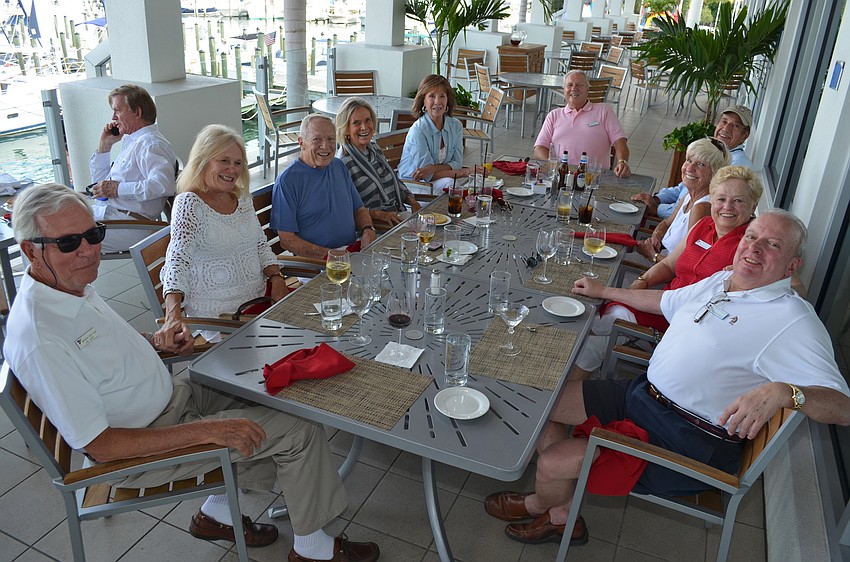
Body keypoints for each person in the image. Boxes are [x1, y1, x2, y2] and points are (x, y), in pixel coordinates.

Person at [3, 183, 381, 562]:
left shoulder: (68, 285)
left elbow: (100, 352)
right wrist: (211, 430)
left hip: (170, 399)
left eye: (93, 234)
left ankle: (217, 512)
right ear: (30, 251)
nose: (88, 250)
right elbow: (100, 445)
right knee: (298, 429)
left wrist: (156, 342)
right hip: (135, 450)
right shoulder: (41, 336)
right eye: (69, 243)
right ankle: (313, 550)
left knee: (266, 387)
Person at [484, 210, 850, 547]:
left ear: (792, 265)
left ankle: (540, 503)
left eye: (772, 244)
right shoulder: (723, 281)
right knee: (543, 402)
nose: (754, 248)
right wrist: (604, 292)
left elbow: (843, 408)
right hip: (643, 396)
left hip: (685, 438)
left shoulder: (793, 321)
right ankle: (562, 510)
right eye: (751, 236)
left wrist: (786, 392)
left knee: (552, 463)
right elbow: (666, 302)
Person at [569, 165, 762, 380]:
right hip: (660, 301)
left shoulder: (750, 246)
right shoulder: (703, 225)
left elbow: (791, 284)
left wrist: (746, 275)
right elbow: (670, 265)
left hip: (683, 321)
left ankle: (565, 393)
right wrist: (643, 280)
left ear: (753, 205)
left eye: (738, 201)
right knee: (592, 325)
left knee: (596, 332)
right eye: (721, 199)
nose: (727, 207)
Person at [159, 124, 288, 345]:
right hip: (222, 319)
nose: (232, 170)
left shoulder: (241, 198)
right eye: (224, 161)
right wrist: (173, 315)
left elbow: (260, 245)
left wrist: (276, 277)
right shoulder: (189, 203)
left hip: (260, 301)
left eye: (238, 163)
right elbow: (178, 259)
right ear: (203, 160)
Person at [271, 114, 377, 259]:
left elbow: (359, 208)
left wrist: (367, 229)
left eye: (331, 139)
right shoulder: (288, 181)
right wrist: (331, 256)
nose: (325, 146)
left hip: (352, 252)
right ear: (302, 143)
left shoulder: (338, 166)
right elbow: (287, 240)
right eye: (317, 139)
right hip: (318, 263)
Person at [88, 84, 178, 252]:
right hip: (112, 216)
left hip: (129, 225)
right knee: (49, 225)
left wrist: (118, 189)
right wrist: (104, 147)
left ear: (137, 112)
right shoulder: (134, 142)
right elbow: (99, 185)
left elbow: (163, 185)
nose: (113, 117)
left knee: (55, 241)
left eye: (117, 110)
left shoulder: (151, 144)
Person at [632, 105, 754, 218]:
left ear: (745, 136)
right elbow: (683, 188)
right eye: (724, 121)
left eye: (735, 126)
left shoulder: (737, 167)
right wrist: (657, 199)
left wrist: (657, 209)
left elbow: (699, 207)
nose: (726, 128)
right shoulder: (715, 151)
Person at [633, 137, 730, 264]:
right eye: (689, 160)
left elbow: (685, 262)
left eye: (701, 164)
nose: (689, 168)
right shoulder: (690, 195)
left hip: (662, 271)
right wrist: (655, 238)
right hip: (660, 257)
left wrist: (652, 255)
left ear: (714, 174)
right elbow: (666, 223)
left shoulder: (701, 208)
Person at [335, 97, 421, 228]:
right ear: (346, 128)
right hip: (374, 226)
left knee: (433, 229)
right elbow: (345, 209)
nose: (364, 127)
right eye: (356, 123)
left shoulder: (374, 148)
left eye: (367, 120)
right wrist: (381, 215)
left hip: (396, 215)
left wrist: (412, 201)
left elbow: (395, 181)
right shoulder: (343, 162)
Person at [532, 70, 632, 178]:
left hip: (594, 177)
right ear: (564, 90)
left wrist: (622, 161)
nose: (574, 88)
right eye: (569, 85)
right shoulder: (554, 115)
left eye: (579, 85)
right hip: (561, 175)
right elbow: (539, 149)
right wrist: (556, 166)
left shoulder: (604, 111)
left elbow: (619, 141)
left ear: (587, 89)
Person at [398, 74, 472, 190]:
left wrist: (432, 168)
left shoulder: (456, 126)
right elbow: (427, 176)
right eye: (432, 96)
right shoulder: (418, 130)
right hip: (413, 187)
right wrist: (464, 172)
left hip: (439, 182)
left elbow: (457, 163)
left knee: (463, 190)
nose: (437, 102)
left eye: (442, 96)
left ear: (447, 100)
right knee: (452, 188)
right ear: (423, 101)